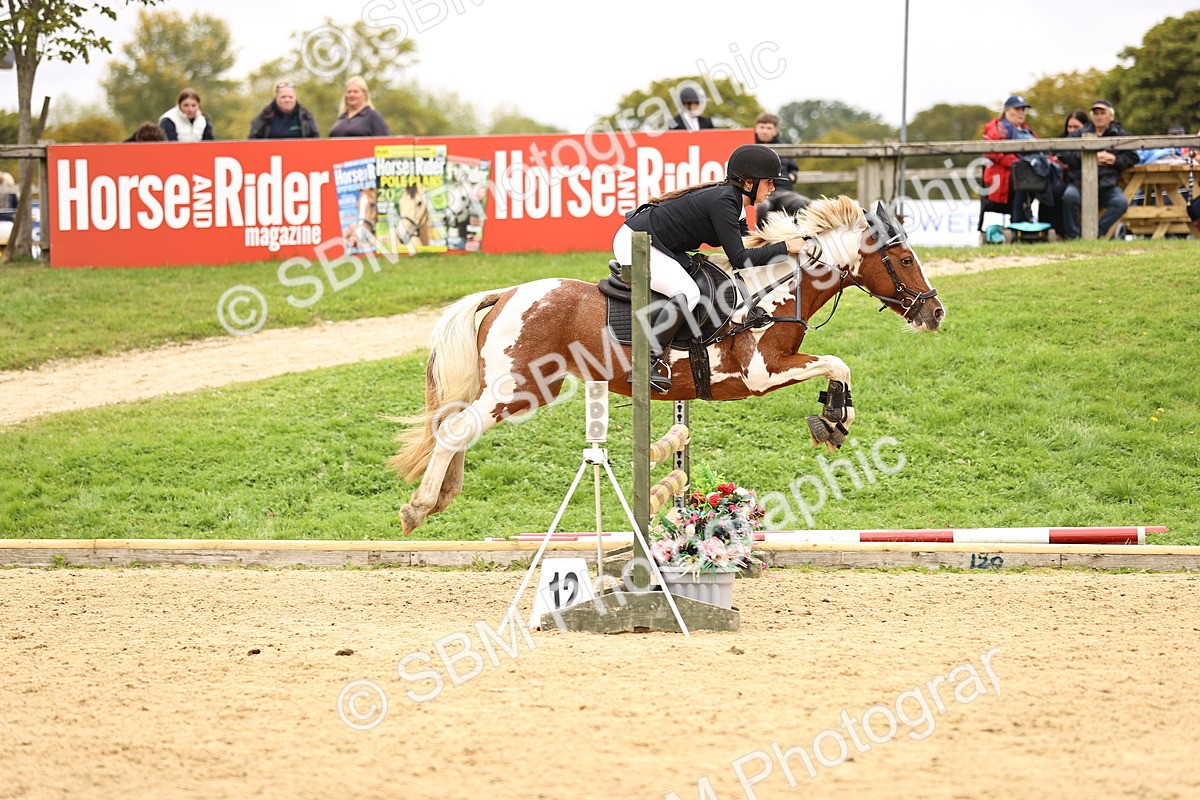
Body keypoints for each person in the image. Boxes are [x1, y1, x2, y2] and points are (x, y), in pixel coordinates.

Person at [612, 144, 809, 393]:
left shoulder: (735, 202)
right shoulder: (725, 201)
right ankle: (645, 362)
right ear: (748, 183)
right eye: (768, 181)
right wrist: (784, 248)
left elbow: (747, 247)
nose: (772, 187)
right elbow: (739, 258)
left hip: (660, 244)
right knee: (687, 292)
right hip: (637, 242)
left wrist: (792, 242)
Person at [1056, 99, 1139, 239]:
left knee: (1121, 202)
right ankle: (1073, 238)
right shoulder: (1079, 134)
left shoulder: (1120, 135)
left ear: (1111, 116)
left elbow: (1133, 157)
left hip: (1107, 186)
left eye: (1102, 113)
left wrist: (1115, 160)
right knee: (1069, 197)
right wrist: (1087, 157)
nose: (1099, 116)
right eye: (1096, 113)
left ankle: (1095, 234)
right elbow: (1063, 154)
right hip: (1079, 184)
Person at [982, 95, 1041, 222]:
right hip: (1004, 176)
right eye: (1018, 109)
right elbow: (994, 153)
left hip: (1033, 172)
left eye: (1024, 109)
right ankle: (1018, 223)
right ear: (1007, 110)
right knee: (1023, 178)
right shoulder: (996, 127)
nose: (1021, 113)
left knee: (1053, 183)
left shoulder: (1027, 130)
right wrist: (1021, 164)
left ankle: (1049, 226)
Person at [752, 112, 808, 227]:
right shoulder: (748, 146)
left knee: (803, 203)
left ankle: (799, 237)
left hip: (783, 191)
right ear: (756, 129)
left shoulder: (785, 148)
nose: (764, 131)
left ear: (775, 131)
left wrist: (793, 176)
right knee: (760, 208)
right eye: (761, 127)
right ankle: (761, 241)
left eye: (768, 128)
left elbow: (793, 169)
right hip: (758, 192)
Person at [249, 80, 319, 139]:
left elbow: (316, 141)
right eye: (283, 97)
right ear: (276, 98)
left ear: (295, 98)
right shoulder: (264, 117)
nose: (287, 100)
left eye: (290, 97)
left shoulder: (307, 116)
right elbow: (253, 141)